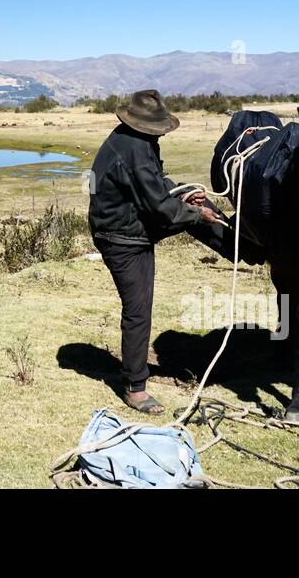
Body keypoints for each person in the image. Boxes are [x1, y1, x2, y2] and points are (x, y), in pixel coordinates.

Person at [87, 89, 229, 414]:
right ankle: (135, 387)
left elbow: (155, 184)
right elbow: (159, 207)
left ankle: (239, 247)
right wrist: (194, 212)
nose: (163, 132)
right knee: (137, 309)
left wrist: (181, 195)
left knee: (197, 203)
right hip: (121, 236)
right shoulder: (134, 148)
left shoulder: (136, 141)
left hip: (130, 227)